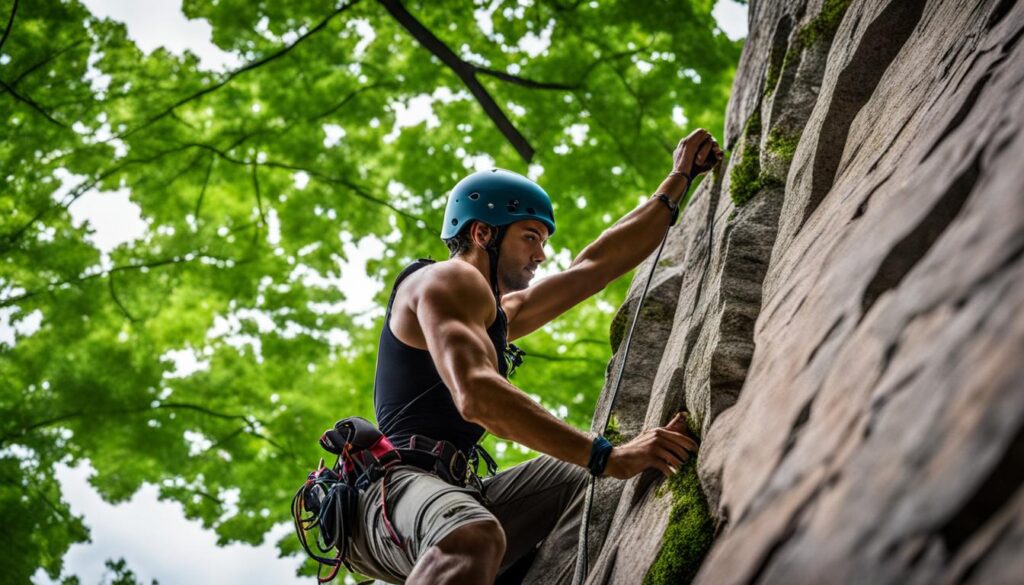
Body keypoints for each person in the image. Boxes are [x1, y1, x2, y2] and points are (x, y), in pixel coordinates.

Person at [346, 129, 723, 584]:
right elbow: (477, 395)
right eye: (530, 236)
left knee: (577, 474)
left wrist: (678, 180)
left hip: (448, 489)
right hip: (396, 493)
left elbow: (593, 268)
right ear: (483, 232)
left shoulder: (496, 312)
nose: (541, 254)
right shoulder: (447, 281)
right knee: (472, 537)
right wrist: (608, 456)